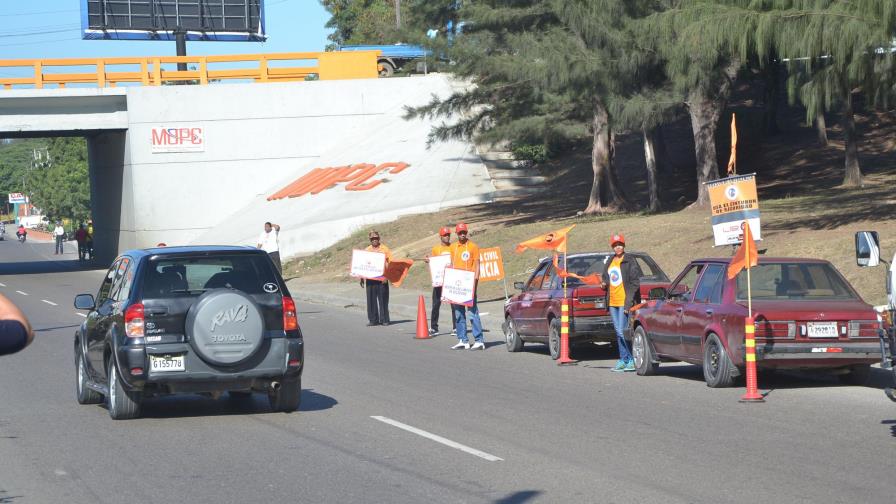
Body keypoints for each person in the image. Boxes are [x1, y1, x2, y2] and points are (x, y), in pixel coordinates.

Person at [600, 233, 642, 372]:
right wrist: (604, 283)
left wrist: (628, 303)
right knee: (618, 332)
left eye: (619, 245)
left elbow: (635, 283)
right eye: (615, 245)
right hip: (612, 301)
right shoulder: (610, 260)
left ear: (624, 245)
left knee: (623, 331)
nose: (617, 247)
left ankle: (630, 359)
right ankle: (623, 360)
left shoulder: (630, 260)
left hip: (625, 301)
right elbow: (606, 277)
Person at [450, 223, 485, 350]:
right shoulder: (453, 247)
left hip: (468, 286)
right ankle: (463, 340)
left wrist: (475, 283)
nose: (462, 234)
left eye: (464, 232)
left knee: (472, 313)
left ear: (467, 232)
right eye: (460, 232)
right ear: (457, 233)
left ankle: (479, 340)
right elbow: (447, 263)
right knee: (458, 314)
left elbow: (477, 266)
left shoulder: (473, 247)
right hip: (456, 286)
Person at [424, 227, 457, 336]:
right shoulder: (436, 249)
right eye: (445, 235)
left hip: (450, 280)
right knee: (436, 304)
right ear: (440, 237)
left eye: (448, 235)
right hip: (439, 281)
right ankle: (434, 327)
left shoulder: (454, 247)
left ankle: (456, 327)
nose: (447, 237)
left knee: (454, 305)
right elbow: (434, 263)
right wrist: (428, 261)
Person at [361, 230, 391, 326]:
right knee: (371, 300)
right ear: (370, 240)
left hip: (382, 278)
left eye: (376, 238)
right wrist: (361, 278)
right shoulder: (367, 250)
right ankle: (373, 320)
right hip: (370, 279)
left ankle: (384, 319)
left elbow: (390, 263)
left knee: (383, 299)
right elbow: (362, 265)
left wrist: (387, 276)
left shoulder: (385, 249)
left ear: (379, 239)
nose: (374, 240)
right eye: (372, 239)